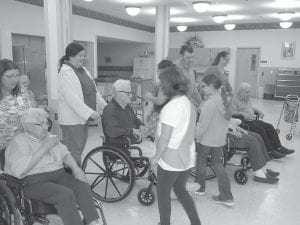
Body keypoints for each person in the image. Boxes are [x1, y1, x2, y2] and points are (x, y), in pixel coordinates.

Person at [4, 108, 101, 225]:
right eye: (40, 124)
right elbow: (21, 169)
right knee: (65, 194)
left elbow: (65, 154)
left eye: (47, 123)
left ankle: (94, 222)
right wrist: (45, 147)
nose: (45, 127)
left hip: (59, 175)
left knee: (82, 185)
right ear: (28, 127)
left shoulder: (50, 137)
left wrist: (76, 170)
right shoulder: (19, 142)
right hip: (32, 182)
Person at [151, 66, 201, 225]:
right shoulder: (187, 102)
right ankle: (196, 222)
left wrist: (156, 157)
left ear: (167, 84)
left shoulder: (172, 107)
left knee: (163, 193)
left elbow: (165, 138)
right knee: (180, 190)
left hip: (170, 159)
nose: (160, 85)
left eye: (161, 82)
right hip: (186, 156)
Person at [58, 42, 107, 165]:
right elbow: (72, 99)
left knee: (78, 150)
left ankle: (75, 176)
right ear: (70, 55)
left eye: (84, 56)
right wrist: (90, 112)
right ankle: (72, 179)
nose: (83, 58)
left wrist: (105, 106)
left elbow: (94, 92)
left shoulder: (83, 70)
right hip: (71, 120)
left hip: (81, 119)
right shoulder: (65, 73)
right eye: (80, 55)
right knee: (73, 151)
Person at [194, 73, 234, 207]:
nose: (202, 89)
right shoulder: (222, 100)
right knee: (218, 166)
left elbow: (203, 125)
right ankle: (227, 196)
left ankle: (200, 188)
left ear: (211, 86)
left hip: (205, 140)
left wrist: (193, 135)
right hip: (218, 140)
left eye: (204, 86)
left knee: (201, 162)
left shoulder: (210, 104)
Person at [230, 82, 294, 159]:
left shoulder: (246, 98)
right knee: (260, 129)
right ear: (241, 91)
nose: (249, 94)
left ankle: (278, 147)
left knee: (269, 127)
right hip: (243, 122)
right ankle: (269, 151)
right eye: (247, 92)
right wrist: (243, 114)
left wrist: (258, 110)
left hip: (252, 120)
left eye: (249, 91)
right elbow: (231, 112)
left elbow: (249, 108)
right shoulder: (234, 99)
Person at [0, 59, 35, 168]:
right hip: (3, 147)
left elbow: (32, 113)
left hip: (21, 144)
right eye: (9, 77)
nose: (14, 80)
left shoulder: (22, 91)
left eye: (16, 75)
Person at [227, 119, 280, 184]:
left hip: (231, 130)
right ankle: (259, 174)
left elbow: (228, 121)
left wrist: (241, 129)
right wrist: (231, 131)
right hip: (226, 136)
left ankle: (263, 168)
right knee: (253, 141)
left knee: (258, 136)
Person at [102, 79, 145, 154]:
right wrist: (131, 131)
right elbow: (112, 132)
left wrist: (140, 125)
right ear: (118, 93)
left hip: (133, 142)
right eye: (128, 93)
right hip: (122, 146)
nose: (131, 95)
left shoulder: (127, 106)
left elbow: (135, 120)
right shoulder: (109, 109)